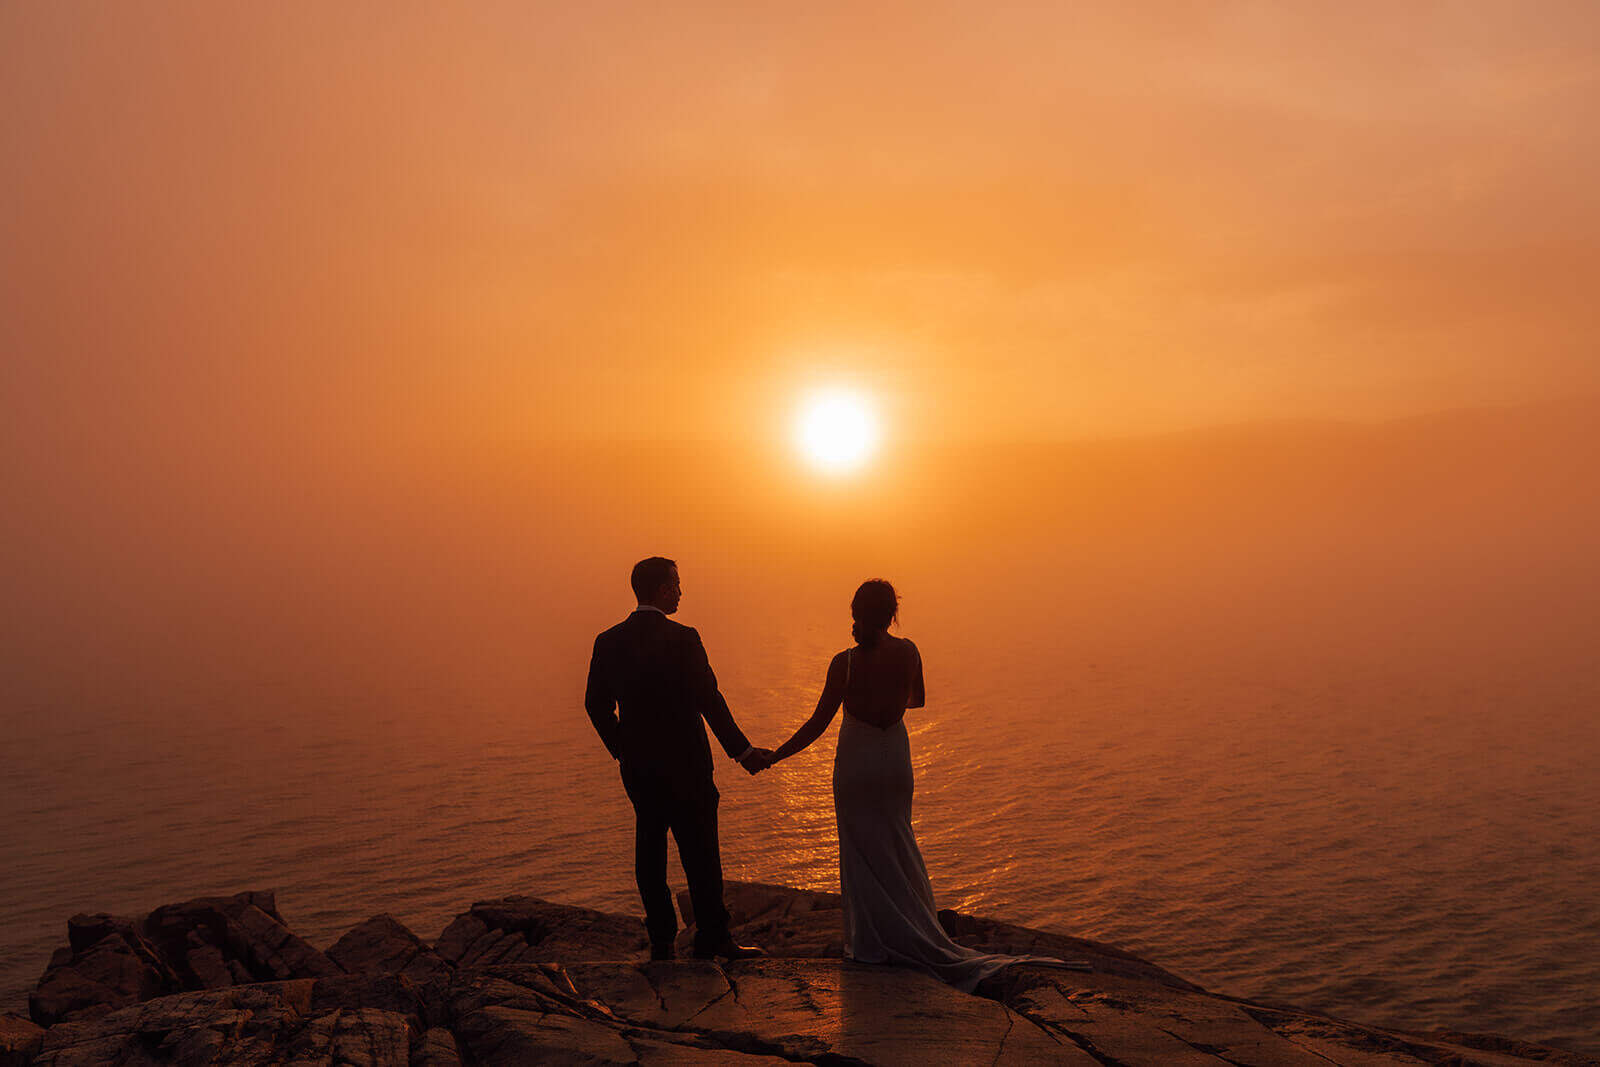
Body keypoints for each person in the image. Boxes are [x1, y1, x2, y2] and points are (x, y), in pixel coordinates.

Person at [759, 579, 1088, 991]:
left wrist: (775, 755)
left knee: (861, 853)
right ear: (891, 614)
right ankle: (916, 927)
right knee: (898, 842)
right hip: (894, 760)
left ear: (858, 614)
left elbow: (816, 724)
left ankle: (872, 943)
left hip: (857, 764)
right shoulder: (909, 650)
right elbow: (918, 700)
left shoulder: (843, 663)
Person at [585, 556, 773, 961]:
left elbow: (595, 705)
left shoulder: (609, 640)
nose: (682, 592)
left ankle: (661, 940)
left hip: (639, 767)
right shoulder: (684, 638)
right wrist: (742, 752)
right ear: (662, 590)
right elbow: (709, 699)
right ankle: (713, 936)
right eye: (677, 585)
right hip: (687, 764)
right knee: (701, 850)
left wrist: (622, 747)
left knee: (649, 848)